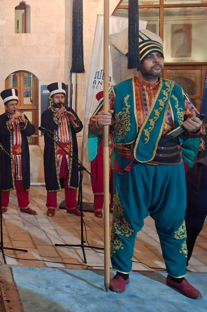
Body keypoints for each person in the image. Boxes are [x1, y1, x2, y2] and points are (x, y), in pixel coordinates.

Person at [90, 30, 204, 298]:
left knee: (174, 223)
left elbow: (194, 122)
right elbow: (94, 124)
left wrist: (195, 127)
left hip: (170, 170)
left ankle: (177, 276)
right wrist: (99, 122)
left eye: (159, 56)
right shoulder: (119, 91)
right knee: (125, 221)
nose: (157, 61)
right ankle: (121, 273)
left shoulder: (175, 91)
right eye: (150, 56)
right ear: (139, 62)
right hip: (133, 169)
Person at [41, 82, 83, 217]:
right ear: (52, 98)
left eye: (62, 97)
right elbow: (47, 130)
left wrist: (72, 118)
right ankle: (51, 206)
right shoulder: (47, 114)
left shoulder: (70, 110)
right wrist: (57, 116)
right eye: (57, 97)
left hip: (70, 151)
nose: (60, 100)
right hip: (54, 152)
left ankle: (71, 206)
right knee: (52, 177)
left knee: (71, 179)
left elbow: (79, 128)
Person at [0, 89, 38, 215]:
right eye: (11, 105)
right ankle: (2, 205)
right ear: (6, 106)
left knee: (21, 180)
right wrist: (10, 121)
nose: (15, 107)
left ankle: (24, 205)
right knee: (5, 178)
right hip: (6, 155)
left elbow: (31, 131)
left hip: (21, 155)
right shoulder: (1, 118)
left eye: (16, 104)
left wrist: (24, 121)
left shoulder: (23, 117)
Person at [89, 91, 113, 218]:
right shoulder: (95, 118)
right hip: (100, 150)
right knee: (100, 178)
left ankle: (113, 205)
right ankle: (98, 207)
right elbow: (93, 130)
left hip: (115, 149)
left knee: (114, 179)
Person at [185, 133, 207, 264]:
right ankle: (182, 262)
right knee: (192, 228)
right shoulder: (204, 167)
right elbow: (201, 202)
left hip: (201, 196)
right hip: (193, 195)